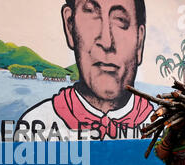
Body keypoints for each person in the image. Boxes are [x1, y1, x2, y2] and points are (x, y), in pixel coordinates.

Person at [15, 0, 154, 142]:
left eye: (120, 20)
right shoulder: (36, 125)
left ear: (140, 41)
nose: (106, 42)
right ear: (70, 26)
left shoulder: (164, 130)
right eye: (91, 15)